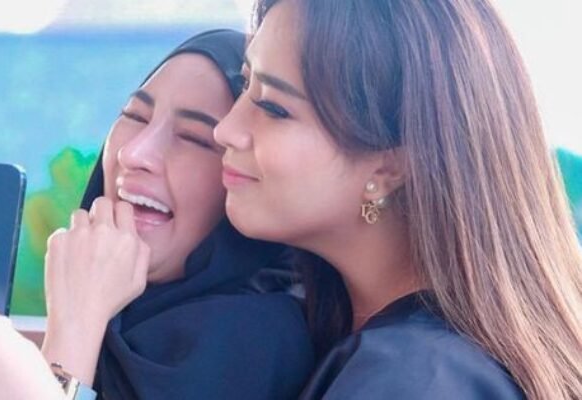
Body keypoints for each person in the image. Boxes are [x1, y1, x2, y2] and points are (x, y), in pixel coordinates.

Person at [0, 29, 314, 400]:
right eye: (134, 115)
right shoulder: (123, 330)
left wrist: (73, 327)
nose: (134, 153)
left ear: (242, 175)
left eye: (194, 137)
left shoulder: (258, 343)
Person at [213, 1, 582, 399]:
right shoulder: (433, 356)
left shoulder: (409, 379)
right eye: (244, 84)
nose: (225, 129)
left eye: (273, 107)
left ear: (390, 169)